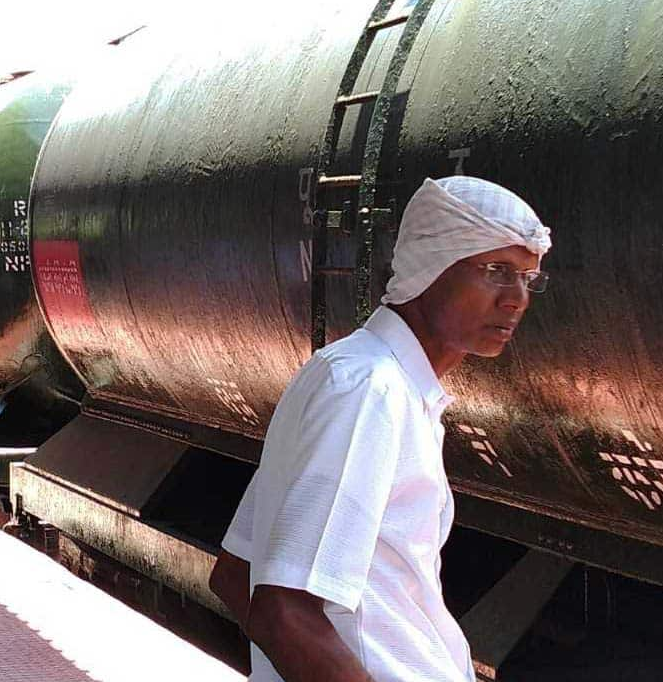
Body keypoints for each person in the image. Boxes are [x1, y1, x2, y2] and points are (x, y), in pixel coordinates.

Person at [208, 177, 552, 682]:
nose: (517, 298)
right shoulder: (370, 390)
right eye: (495, 270)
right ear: (428, 267)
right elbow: (282, 612)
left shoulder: (372, 380)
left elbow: (237, 576)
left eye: (528, 277)